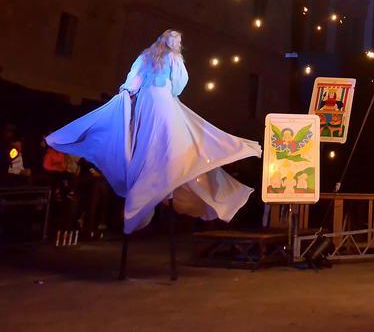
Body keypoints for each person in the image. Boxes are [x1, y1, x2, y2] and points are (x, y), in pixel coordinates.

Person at [45, 30, 261, 233]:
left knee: (148, 145)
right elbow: (179, 84)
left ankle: (154, 190)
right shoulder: (174, 59)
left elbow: (132, 82)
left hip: (145, 105)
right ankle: (162, 185)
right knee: (172, 145)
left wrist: (129, 96)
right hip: (163, 104)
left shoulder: (145, 58)